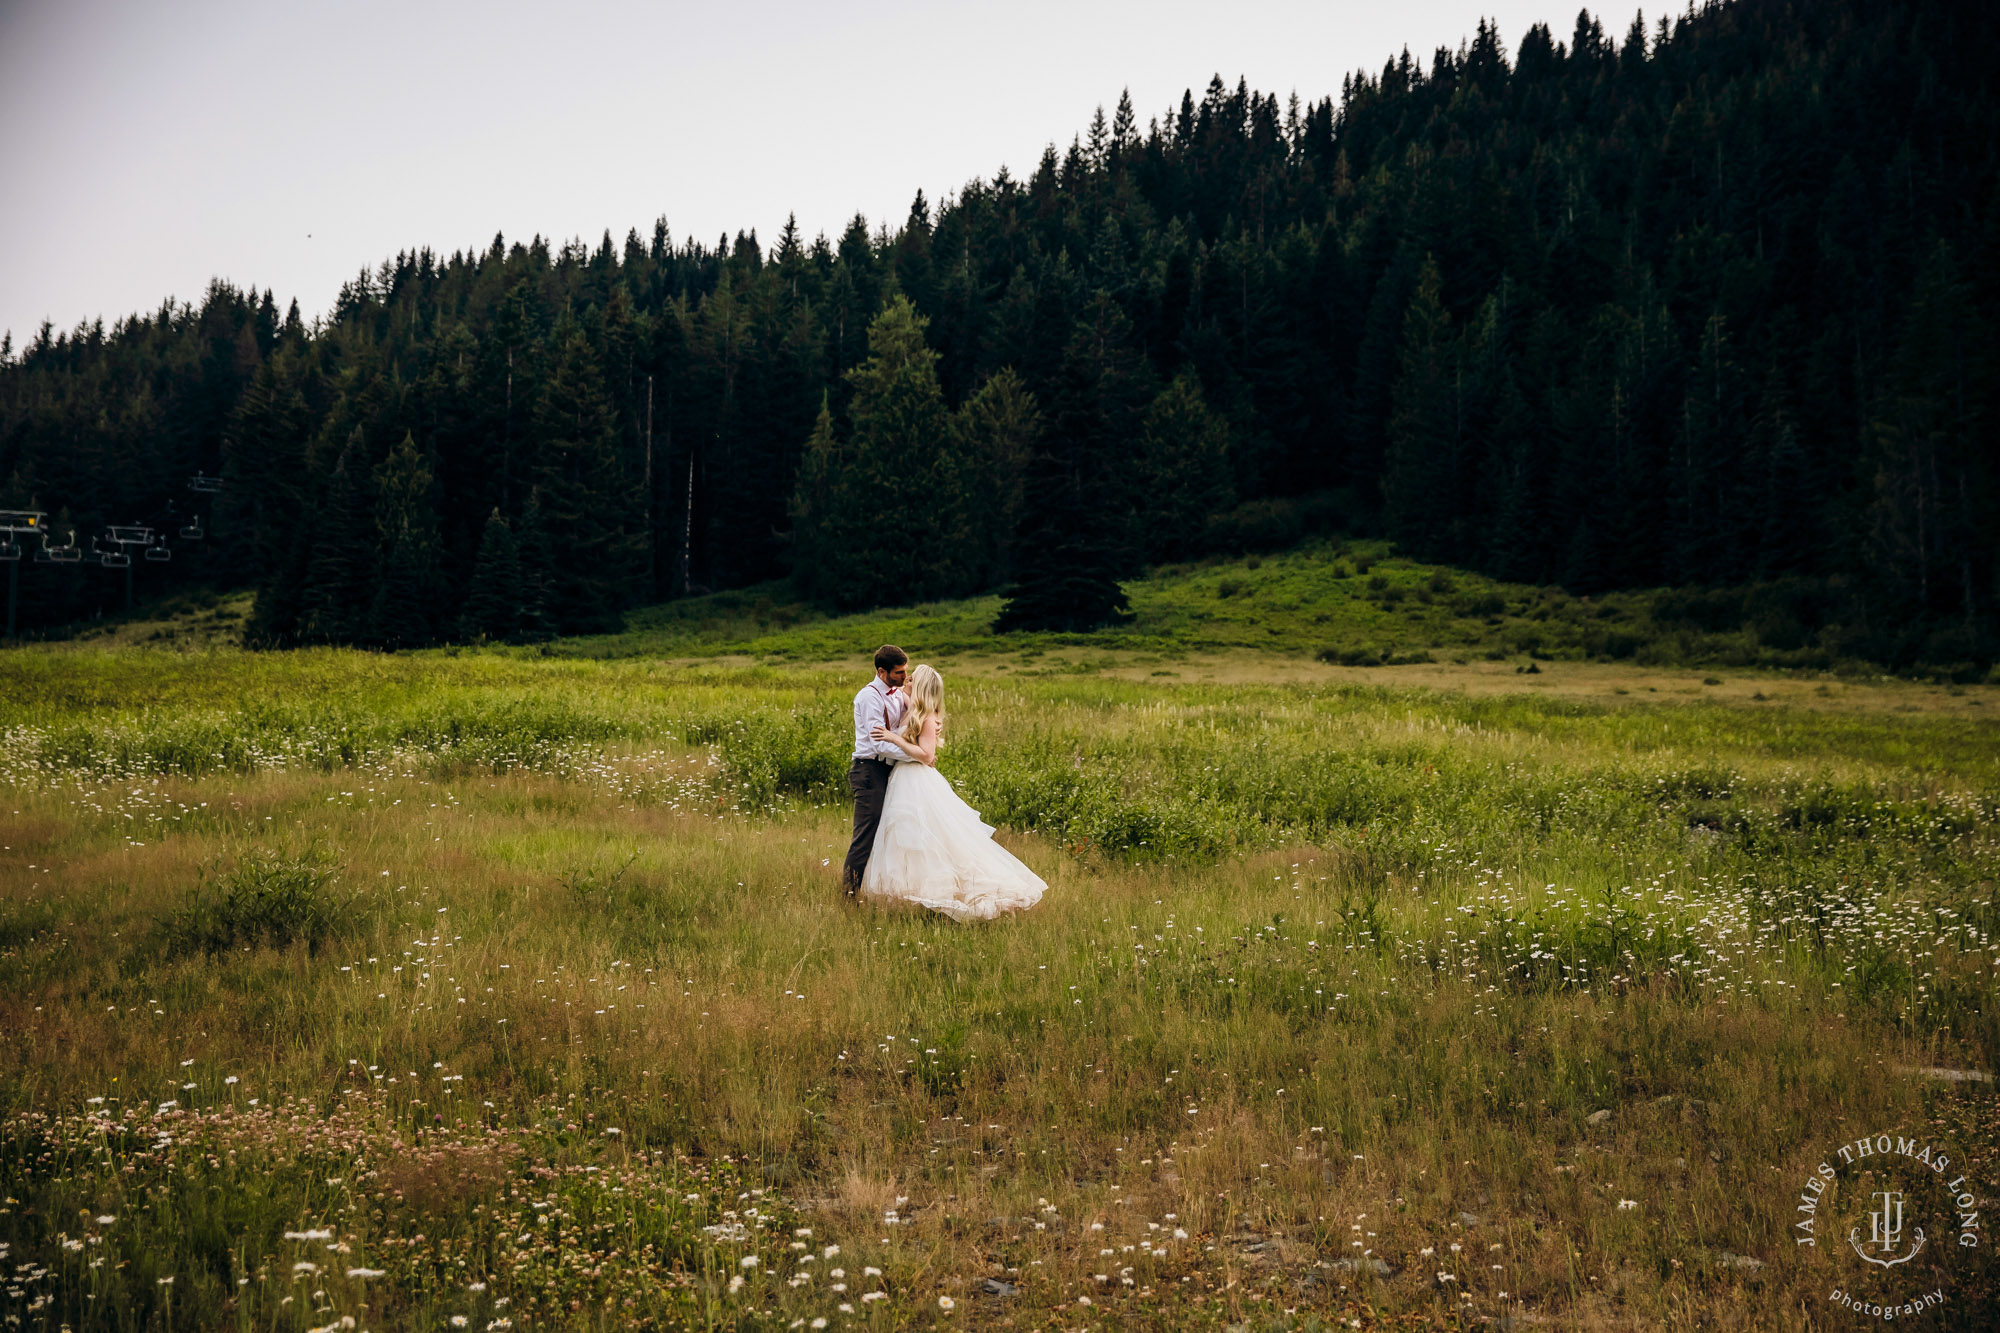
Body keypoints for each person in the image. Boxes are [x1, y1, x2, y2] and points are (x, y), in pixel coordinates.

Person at [858, 663, 1046, 921]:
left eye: (910, 679)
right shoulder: (912, 707)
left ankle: (942, 894)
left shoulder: (926, 717)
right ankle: (906, 896)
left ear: (919, 686)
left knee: (928, 835)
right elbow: (889, 692)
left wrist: (894, 738)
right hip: (901, 778)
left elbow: (927, 755)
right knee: (906, 838)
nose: (905, 681)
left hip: (916, 780)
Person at [844, 644, 909, 897]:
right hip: (869, 770)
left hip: (889, 769)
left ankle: (880, 890)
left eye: (905, 671)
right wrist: (916, 757)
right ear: (882, 672)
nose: (904, 677)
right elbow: (878, 743)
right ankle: (849, 894)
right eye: (899, 673)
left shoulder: (897, 694)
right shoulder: (869, 697)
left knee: (891, 832)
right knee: (865, 835)